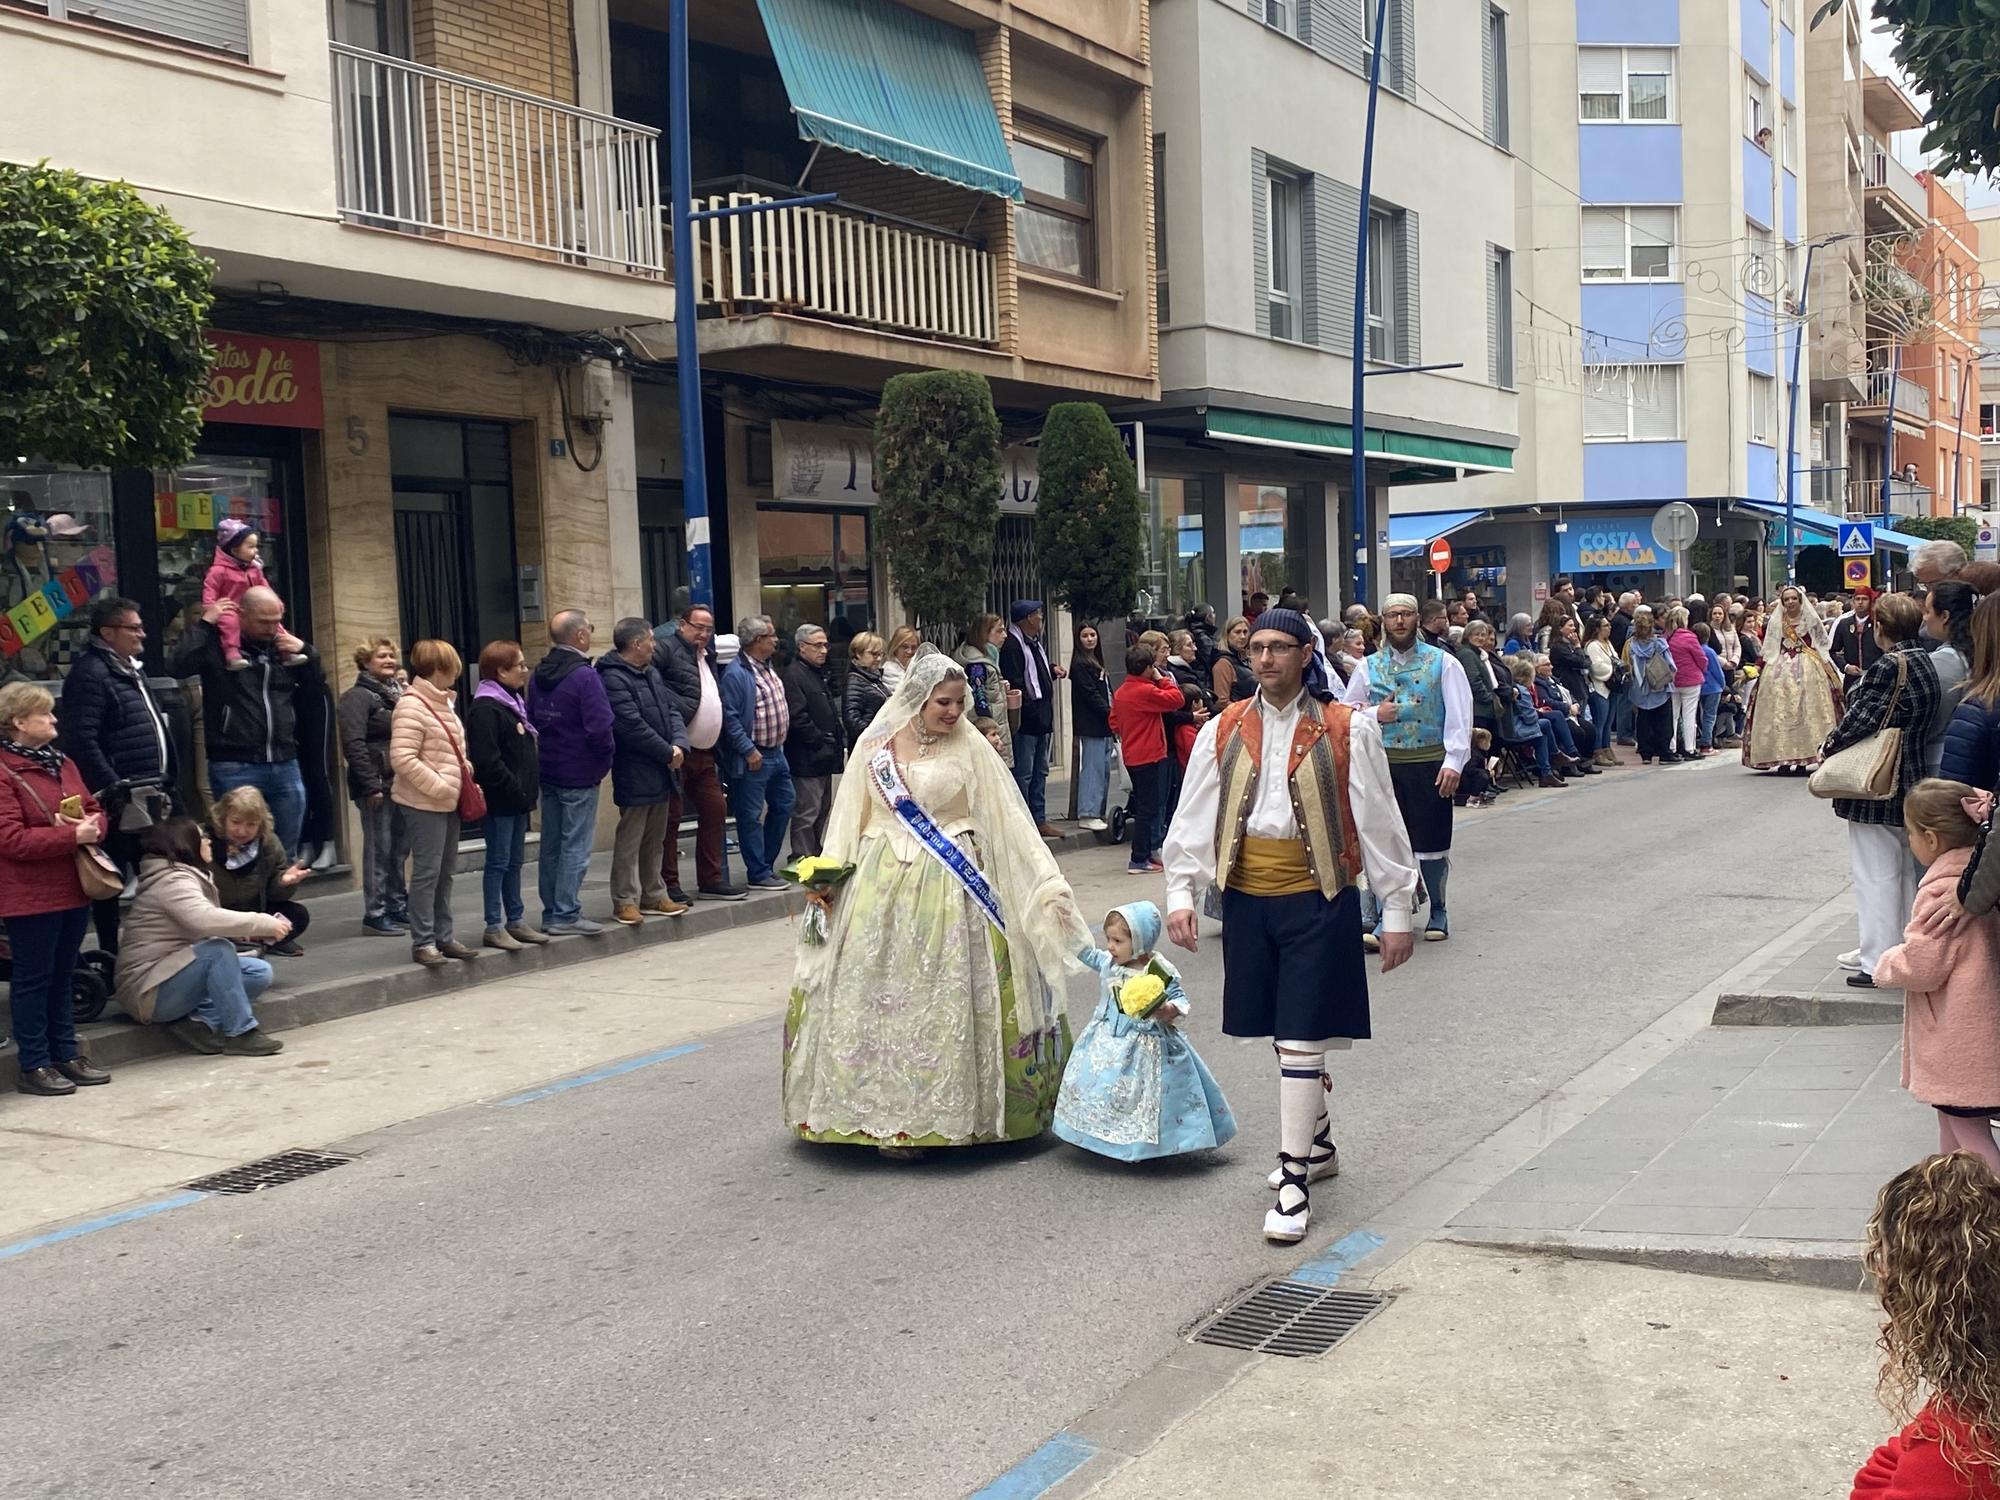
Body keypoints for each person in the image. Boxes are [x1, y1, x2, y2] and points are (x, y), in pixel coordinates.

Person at [1163, 607, 1418, 1244]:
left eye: (1279, 647)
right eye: (1258, 647)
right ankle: (1320, 1143)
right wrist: (1180, 892)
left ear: (1307, 655)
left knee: (1302, 1039)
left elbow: (1380, 820)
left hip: (1318, 897)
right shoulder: (1223, 727)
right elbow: (1194, 814)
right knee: (1283, 1035)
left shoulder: (1348, 728)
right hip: (1246, 901)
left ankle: (1294, 1182)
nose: (1266, 658)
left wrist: (1395, 909)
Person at [781, 651, 1092, 1151]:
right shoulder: (875, 747)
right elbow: (848, 817)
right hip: (879, 880)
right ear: (918, 699)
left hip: (954, 881)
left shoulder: (971, 746)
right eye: (942, 702)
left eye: (959, 702)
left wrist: (1046, 883)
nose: (953, 711)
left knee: (950, 991)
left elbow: (1010, 820)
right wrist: (828, 877)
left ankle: (956, 1113)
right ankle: (874, 1114)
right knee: (877, 991)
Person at [1852, 1154, 2000, 1498]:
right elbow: (1897, 1455)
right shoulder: (1976, 1398)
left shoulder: (1959, 1444)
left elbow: (1916, 1467)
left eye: (1882, 1253)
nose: (1879, 1269)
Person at [1872, 780, 2000, 1171]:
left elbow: (1924, 965)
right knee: (1952, 1124)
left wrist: (1886, 964)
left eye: (1910, 833)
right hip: (1977, 1033)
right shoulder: (1978, 878)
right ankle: (1948, 1194)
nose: (1909, 841)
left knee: (1971, 1135)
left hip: (1960, 1038)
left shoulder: (1941, 891)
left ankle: (1990, 1202)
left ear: (1930, 838)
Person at [1052, 900, 1237, 1161]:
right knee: (1098, 1085)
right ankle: (1099, 1136)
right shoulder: (1109, 964)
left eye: (1118, 941)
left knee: (1149, 1095)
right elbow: (1085, 953)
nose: (1110, 946)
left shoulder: (1158, 970)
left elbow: (1179, 998)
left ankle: (1152, 1144)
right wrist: (1067, 924)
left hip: (1146, 1043)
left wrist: (1168, 1010)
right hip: (1105, 1038)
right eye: (1108, 939)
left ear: (1140, 941)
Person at [1824, 592, 1942, 990]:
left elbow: (1861, 720)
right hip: (1910, 775)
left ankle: (1876, 960)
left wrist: (1829, 745)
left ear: (1879, 628)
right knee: (1903, 871)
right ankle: (1902, 952)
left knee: (1874, 874)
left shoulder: (1889, 666)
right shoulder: (1924, 659)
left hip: (1878, 781)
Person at [1340, 593, 1471, 944]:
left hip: (1428, 763)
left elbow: (1460, 715)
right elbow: (1345, 714)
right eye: (1393, 615)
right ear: (1383, 621)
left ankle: (1439, 909)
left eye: (1406, 614)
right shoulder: (1368, 666)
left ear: (1417, 619)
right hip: (1382, 766)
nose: (1399, 621)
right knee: (1384, 842)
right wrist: (1374, 714)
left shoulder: (1443, 663)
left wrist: (1454, 761)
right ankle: (1387, 914)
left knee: (1431, 843)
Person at [0, 682, 111, 1095]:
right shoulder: (4, 771)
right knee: (33, 978)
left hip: (72, 884)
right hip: (29, 893)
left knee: (64, 974)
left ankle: (66, 1053)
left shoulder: (61, 762)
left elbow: (94, 809)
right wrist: (70, 836)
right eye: (44, 714)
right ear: (18, 722)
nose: (53, 719)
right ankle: (35, 1063)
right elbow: (10, 839)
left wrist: (92, 826)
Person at [60, 594, 175, 954]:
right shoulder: (91, 673)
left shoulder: (128, 668)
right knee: (112, 879)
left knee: (159, 872)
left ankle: (154, 947)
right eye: (133, 628)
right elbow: (81, 738)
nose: (142, 634)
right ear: (108, 632)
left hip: (149, 791)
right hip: (121, 798)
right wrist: (112, 786)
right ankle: (111, 953)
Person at [172, 584, 322, 856]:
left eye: (276, 621)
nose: (271, 628)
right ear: (241, 615)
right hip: (235, 762)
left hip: (284, 760)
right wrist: (205, 625)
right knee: (237, 849)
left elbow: (315, 687)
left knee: (284, 851)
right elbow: (178, 665)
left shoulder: (283, 647)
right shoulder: (219, 646)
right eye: (263, 622)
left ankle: (280, 885)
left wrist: (307, 652)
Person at [117, 817, 286, 1057]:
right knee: (218, 950)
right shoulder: (172, 880)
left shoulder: (182, 874)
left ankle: (199, 1022)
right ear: (185, 844)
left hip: (169, 973)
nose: (208, 841)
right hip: (148, 990)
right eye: (201, 837)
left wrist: (244, 931)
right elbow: (203, 919)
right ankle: (241, 1033)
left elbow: (196, 927)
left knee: (259, 972)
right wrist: (263, 922)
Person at [391, 638, 478, 968]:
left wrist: (463, 769)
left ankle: (444, 935)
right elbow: (403, 758)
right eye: (453, 664)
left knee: (445, 872)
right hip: (424, 802)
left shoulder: (443, 702)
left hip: (448, 799)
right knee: (428, 873)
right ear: (441, 667)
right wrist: (441, 785)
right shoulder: (412, 705)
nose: (457, 670)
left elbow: (448, 750)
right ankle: (424, 941)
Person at [598, 617, 690, 925]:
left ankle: (653, 894)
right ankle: (625, 899)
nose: (654, 645)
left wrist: (679, 744)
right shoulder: (613, 677)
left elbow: (671, 709)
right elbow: (630, 725)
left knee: (655, 838)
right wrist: (667, 752)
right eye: (650, 640)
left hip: (663, 767)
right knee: (631, 838)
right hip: (635, 768)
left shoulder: (651, 672)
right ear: (636, 643)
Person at [653, 602, 747, 904]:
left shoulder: (707, 656)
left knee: (715, 809)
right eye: (698, 627)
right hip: (680, 749)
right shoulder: (667, 649)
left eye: (709, 629)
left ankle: (711, 878)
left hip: (706, 751)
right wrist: (677, 709)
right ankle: (669, 882)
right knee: (672, 818)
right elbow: (652, 684)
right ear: (682, 625)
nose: (704, 634)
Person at [530, 609, 615, 935]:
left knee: (551, 844)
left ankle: (552, 910)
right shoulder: (585, 676)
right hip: (580, 770)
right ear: (580, 635)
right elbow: (600, 728)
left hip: (549, 766)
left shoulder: (538, 673)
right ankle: (566, 913)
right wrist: (602, 763)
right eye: (589, 628)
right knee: (576, 844)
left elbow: (533, 717)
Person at [465, 640, 548, 951]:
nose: (525, 671)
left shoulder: (512, 702)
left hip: (518, 799)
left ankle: (516, 918)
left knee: (514, 861)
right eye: (520, 665)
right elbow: (488, 761)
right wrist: (516, 787)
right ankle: (493, 925)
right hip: (501, 800)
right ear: (501, 671)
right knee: (498, 862)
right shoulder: (486, 708)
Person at [337, 636, 409, 937]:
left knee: (399, 849)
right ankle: (375, 912)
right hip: (377, 784)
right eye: (382, 656)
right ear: (366, 663)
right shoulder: (357, 697)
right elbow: (353, 744)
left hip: (401, 781)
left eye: (391, 656)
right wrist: (371, 785)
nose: (389, 661)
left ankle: (396, 904)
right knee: (379, 849)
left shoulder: (397, 693)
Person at [719, 614, 796, 890]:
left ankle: (765, 864)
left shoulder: (767, 666)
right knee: (750, 815)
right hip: (754, 756)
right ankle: (758, 872)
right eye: (770, 636)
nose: (776, 640)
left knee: (785, 803)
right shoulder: (737, 673)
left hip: (777, 752)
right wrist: (748, 749)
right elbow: (730, 718)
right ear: (756, 640)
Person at [1743, 585, 1842, 772]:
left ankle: (1804, 758)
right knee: (1779, 711)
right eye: (1786, 599)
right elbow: (1769, 647)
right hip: (1779, 667)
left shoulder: (1810, 618)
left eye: (1793, 598)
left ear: (1800, 600)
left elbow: (1821, 644)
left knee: (1807, 711)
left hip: (1808, 666)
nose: (1790, 602)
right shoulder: (1776, 621)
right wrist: (1757, 666)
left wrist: (1825, 665)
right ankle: (1782, 758)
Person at [207, 786, 310, 957]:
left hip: (253, 913)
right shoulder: (204, 841)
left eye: (251, 824)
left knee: (298, 915)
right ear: (223, 818)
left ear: (260, 824)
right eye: (235, 822)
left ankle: (253, 942)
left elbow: (274, 896)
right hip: (218, 915)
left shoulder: (269, 843)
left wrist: (283, 882)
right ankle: (251, 942)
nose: (242, 831)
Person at [1110, 645, 1185, 874]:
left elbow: (1114, 721)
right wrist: (1162, 680)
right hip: (1150, 754)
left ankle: (1146, 853)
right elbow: (1177, 699)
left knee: (1144, 805)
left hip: (1132, 754)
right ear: (1147, 668)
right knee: (1148, 809)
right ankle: (1139, 858)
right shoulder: (1146, 691)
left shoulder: (1121, 692)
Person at [202, 518, 304, 672]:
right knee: (230, 624)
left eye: (256, 547)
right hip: (230, 608)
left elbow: (265, 587)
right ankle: (232, 654)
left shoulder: (254, 570)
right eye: (250, 547)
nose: (255, 551)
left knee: (276, 625)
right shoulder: (218, 571)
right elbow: (210, 590)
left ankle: (287, 652)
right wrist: (212, 608)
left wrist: (275, 603)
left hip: (255, 609)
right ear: (234, 550)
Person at [1000, 600, 1067, 836]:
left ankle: (1039, 819)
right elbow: (1017, 680)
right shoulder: (1012, 645)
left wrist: (1052, 669)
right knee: (1025, 773)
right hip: (1028, 720)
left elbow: (1036, 674)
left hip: (1042, 717)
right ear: (1028, 618)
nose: (1041, 618)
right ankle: (1025, 823)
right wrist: (1030, 708)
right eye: (1038, 614)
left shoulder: (1034, 642)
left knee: (1041, 771)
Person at [784, 623, 844, 859]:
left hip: (824, 755)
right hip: (807, 756)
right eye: (817, 646)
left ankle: (814, 854)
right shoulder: (794, 675)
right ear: (802, 647)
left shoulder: (818, 673)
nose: (823, 651)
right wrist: (819, 740)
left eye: (825, 645)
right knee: (807, 811)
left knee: (822, 809)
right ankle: (802, 856)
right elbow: (797, 716)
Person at [1924, 580, 1977, 777]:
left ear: (1944, 616)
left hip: (1940, 762)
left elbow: (1934, 720)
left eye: (1928, 611)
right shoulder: (1975, 650)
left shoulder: (1944, 662)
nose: (1924, 617)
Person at [953, 613, 1014, 769]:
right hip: (987, 733)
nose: (1005, 636)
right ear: (984, 633)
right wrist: (990, 731)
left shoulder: (989, 659)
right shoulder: (977, 664)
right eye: (999, 631)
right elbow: (979, 699)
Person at [1070, 624, 1113, 832]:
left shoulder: (1097, 661)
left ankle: (1098, 810)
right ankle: (1088, 812)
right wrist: (1109, 711)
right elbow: (1090, 694)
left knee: (1103, 769)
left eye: (1093, 635)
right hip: (1092, 724)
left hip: (1104, 724)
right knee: (1093, 768)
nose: (1089, 639)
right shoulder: (1080, 665)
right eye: (1085, 636)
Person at [1499, 656, 1566, 788]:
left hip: (1508, 728)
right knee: (1545, 724)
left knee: (1542, 733)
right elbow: (1530, 718)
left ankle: (1548, 771)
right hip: (1515, 730)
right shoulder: (1522, 691)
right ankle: (1554, 758)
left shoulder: (1514, 688)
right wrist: (1537, 713)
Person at [1623, 608, 1679, 764]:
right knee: (1664, 721)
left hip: (1640, 687)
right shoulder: (1659, 643)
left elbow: (1627, 664)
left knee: (1643, 721)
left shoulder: (1631, 645)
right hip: (1659, 686)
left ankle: (1645, 753)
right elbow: (1671, 665)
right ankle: (1664, 753)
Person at [1664, 606, 1707, 759]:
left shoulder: (1666, 637)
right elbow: (1701, 658)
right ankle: (1690, 748)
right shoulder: (1689, 637)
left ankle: (1672, 747)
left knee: (1673, 716)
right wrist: (1701, 669)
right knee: (1689, 715)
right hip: (1691, 679)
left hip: (1672, 680)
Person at [1584, 614, 1621, 765]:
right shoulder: (1593, 646)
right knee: (1600, 721)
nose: (1609, 628)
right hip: (1600, 687)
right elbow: (1596, 667)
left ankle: (1607, 747)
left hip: (1612, 686)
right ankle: (1597, 750)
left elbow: (1615, 659)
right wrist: (1614, 668)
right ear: (1597, 629)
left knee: (1608, 722)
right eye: (1606, 625)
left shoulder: (1608, 643)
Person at [843, 632, 891, 748]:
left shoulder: (872, 678)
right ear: (858, 654)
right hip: (868, 746)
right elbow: (852, 720)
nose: (879, 659)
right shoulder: (855, 681)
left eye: (881, 654)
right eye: (874, 654)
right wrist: (877, 734)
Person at [1832, 586, 1886, 683]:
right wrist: (1845, 667)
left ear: (1871, 601)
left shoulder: (1878, 623)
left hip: (1876, 678)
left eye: (1864, 599)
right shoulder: (1844, 623)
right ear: (1853, 601)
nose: (1860, 602)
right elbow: (1833, 650)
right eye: (1857, 599)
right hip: (1851, 679)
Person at [1692, 623, 1727, 754]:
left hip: (1698, 686)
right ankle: (1706, 744)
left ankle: (1695, 741)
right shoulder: (1710, 652)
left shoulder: (1693, 650)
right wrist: (1723, 685)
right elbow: (1717, 671)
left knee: (1697, 715)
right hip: (1713, 687)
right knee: (1709, 716)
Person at [881, 625, 921, 695]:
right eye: (905, 647)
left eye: (914, 647)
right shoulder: (889, 669)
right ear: (896, 648)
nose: (909, 651)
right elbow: (909, 694)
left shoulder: (915, 667)